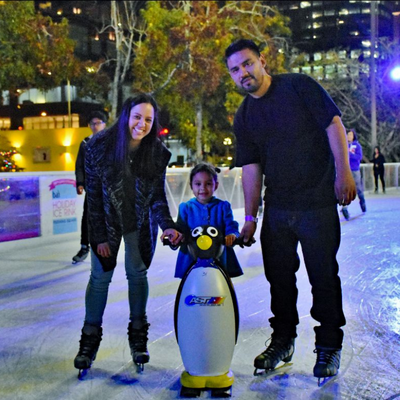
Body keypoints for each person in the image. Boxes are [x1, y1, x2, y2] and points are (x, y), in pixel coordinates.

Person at [224, 39, 356, 380]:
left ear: (262, 61)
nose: (243, 73)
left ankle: (329, 345)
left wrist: (344, 173)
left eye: (247, 63)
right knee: (278, 280)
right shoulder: (244, 116)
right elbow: (251, 167)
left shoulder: (298, 86)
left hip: (316, 203)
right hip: (278, 209)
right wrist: (250, 218)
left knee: (323, 278)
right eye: (235, 70)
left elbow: (334, 124)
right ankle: (283, 340)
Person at [73, 93, 182, 372]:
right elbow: (94, 198)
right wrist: (97, 238)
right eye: (137, 117)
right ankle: (89, 339)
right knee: (99, 278)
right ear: (125, 116)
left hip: (138, 223)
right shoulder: (98, 146)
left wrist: (168, 225)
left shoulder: (156, 152)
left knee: (137, 274)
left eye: (148, 119)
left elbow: (157, 196)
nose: (142, 124)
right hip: (106, 224)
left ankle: (138, 336)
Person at [174, 162, 243, 279]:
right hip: (192, 260)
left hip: (219, 258)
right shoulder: (186, 208)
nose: (203, 188)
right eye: (198, 184)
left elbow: (230, 225)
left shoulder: (223, 207)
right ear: (191, 186)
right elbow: (180, 228)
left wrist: (231, 234)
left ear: (216, 185)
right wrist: (176, 237)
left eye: (208, 183)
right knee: (192, 285)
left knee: (220, 284)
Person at [72, 110, 108, 263]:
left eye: (98, 123)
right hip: (93, 190)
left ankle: (111, 245)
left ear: (104, 124)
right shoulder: (86, 143)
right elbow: (79, 165)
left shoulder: (111, 142)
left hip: (109, 190)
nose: (95, 126)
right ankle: (84, 245)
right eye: (92, 123)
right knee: (87, 217)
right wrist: (80, 183)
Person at [341, 128, 366, 220]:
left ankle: (362, 201)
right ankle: (344, 207)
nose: (349, 136)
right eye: (348, 135)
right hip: (346, 170)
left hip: (355, 170)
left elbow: (359, 157)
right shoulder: (344, 145)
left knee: (358, 189)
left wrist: (350, 154)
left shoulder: (357, 146)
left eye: (350, 135)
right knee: (346, 189)